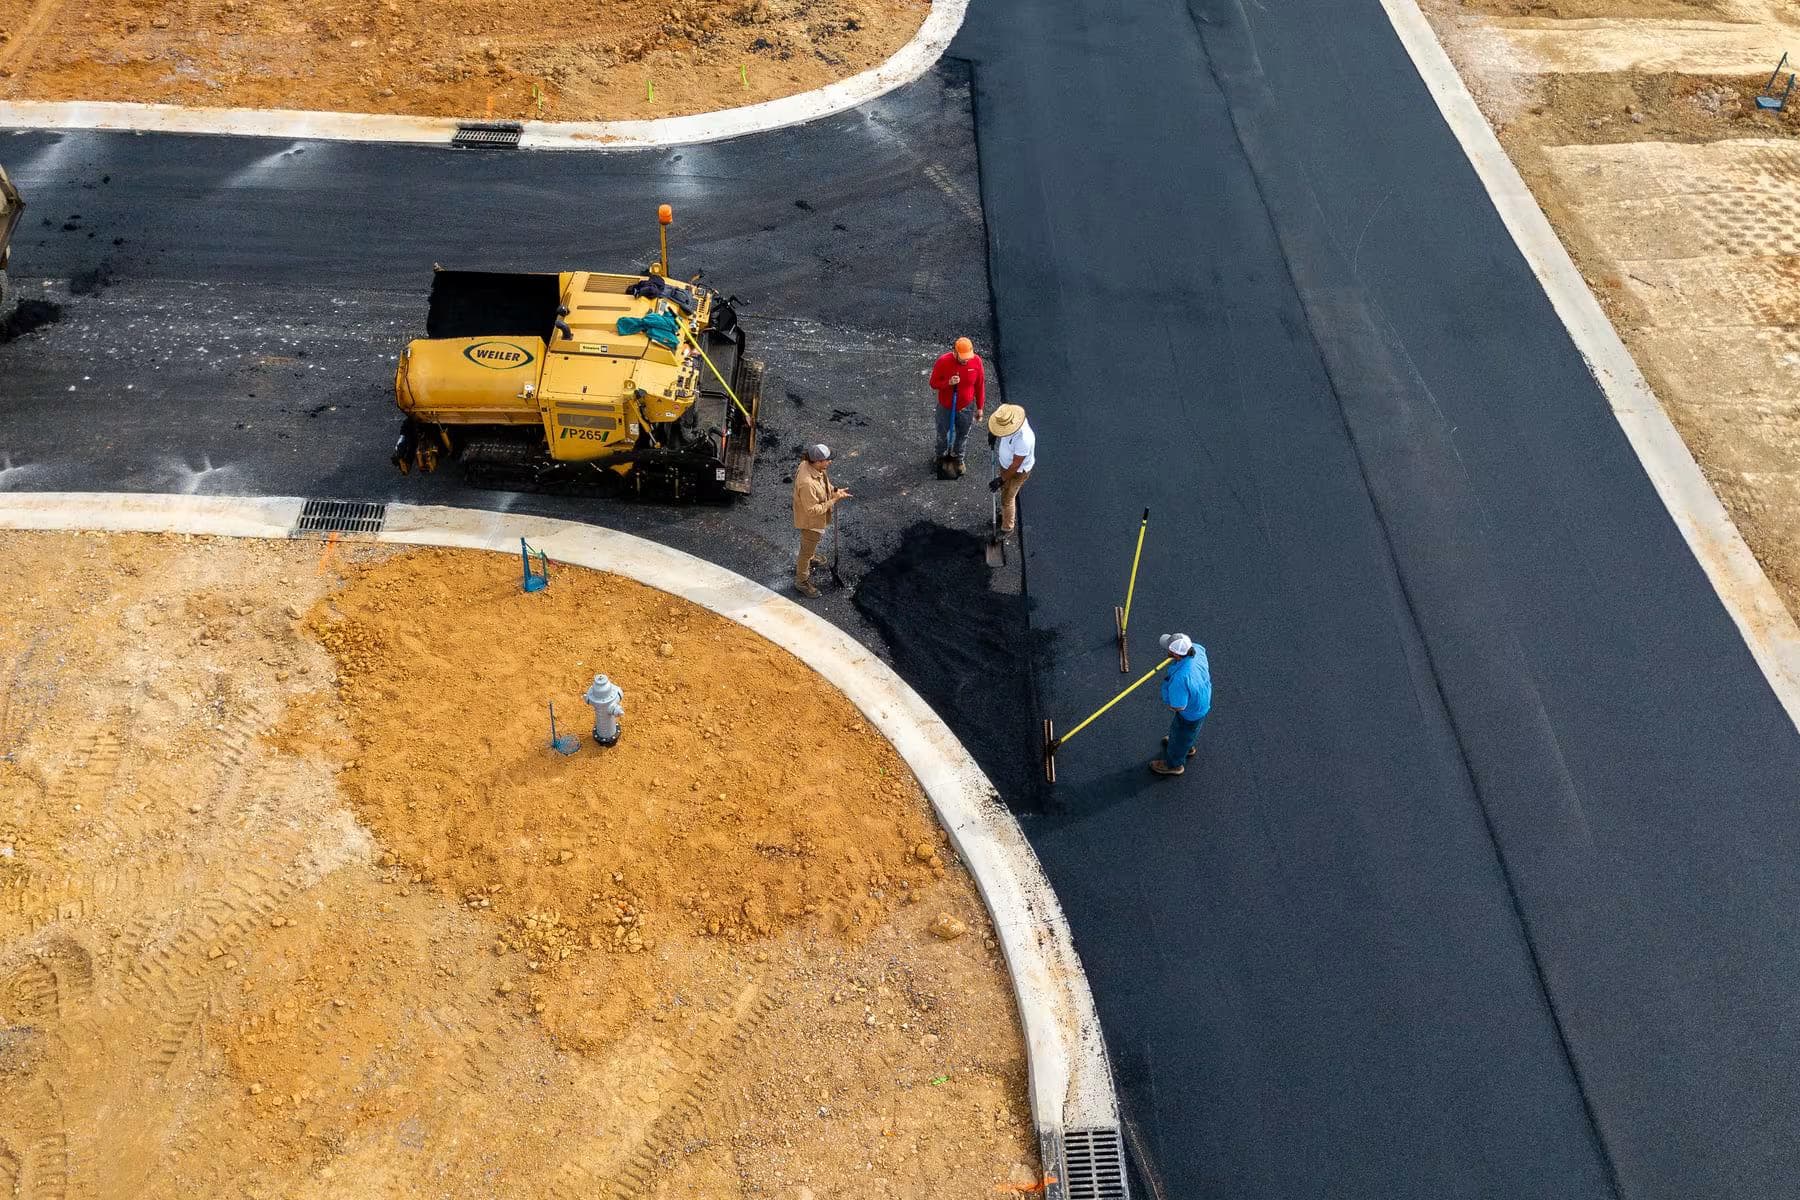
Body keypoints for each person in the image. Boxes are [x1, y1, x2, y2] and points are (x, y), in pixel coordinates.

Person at [791, 443, 849, 599]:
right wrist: (833, 501)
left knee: (809, 547)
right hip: (811, 523)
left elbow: (823, 482)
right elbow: (812, 510)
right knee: (805, 553)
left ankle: (811, 556)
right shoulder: (807, 483)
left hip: (815, 518)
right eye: (827, 460)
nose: (829, 462)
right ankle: (801, 582)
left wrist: (835, 491)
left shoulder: (811, 466)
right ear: (817, 461)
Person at [1150, 633, 1211, 777]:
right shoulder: (1197, 649)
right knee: (1189, 732)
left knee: (1181, 731)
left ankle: (1174, 764)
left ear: (1176, 655)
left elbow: (1178, 706)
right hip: (1201, 700)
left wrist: (1171, 704)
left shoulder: (1181, 678)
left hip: (1190, 712)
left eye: (1169, 650)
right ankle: (1187, 746)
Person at [928, 337, 986, 477]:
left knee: (962, 435)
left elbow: (979, 385)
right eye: (963, 357)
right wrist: (948, 382)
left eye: (968, 357)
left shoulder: (976, 361)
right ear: (954, 352)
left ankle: (959, 459)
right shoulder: (943, 361)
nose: (966, 360)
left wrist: (980, 407)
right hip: (946, 407)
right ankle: (940, 456)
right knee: (942, 434)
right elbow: (933, 383)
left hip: (966, 407)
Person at [986, 403, 1034, 536]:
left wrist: (1001, 479)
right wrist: (994, 433)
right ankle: (1004, 514)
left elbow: (1016, 465)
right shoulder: (1012, 420)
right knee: (1005, 491)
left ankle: (1007, 527)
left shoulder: (1024, 440)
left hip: (1016, 472)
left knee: (1007, 498)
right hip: (1006, 465)